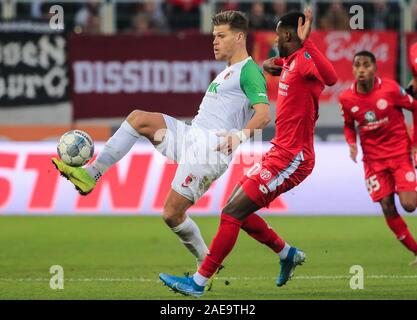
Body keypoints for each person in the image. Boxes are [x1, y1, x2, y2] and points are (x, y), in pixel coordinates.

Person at [52, 10, 271, 289]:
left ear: (239, 37)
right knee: (138, 119)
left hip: (208, 151)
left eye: (221, 36)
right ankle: (91, 174)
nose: (214, 41)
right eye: (213, 36)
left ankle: (205, 266)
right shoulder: (229, 71)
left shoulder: (249, 71)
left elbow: (264, 115)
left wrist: (239, 137)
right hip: (191, 136)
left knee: (171, 214)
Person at [159, 8, 337, 297]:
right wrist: (272, 64)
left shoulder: (305, 59)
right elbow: (286, 65)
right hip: (278, 152)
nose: (275, 38)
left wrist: (308, 43)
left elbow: (330, 78)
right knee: (235, 210)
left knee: (231, 213)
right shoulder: (291, 62)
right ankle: (286, 253)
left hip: (294, 158)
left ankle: (199, 282)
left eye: (279, 34)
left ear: (290, 34)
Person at [338, 51, 417, 266]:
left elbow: (414, 106)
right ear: (353, 69)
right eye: (357, 65)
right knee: (387, 205)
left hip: (400, 154)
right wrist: (352, 143)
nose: (361, 69)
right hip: (373, 161)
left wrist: (415, 142)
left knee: (409, 205)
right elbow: (347, 124)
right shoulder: (346, 98)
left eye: (366, 65)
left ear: (375, 68)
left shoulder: (390, 89)